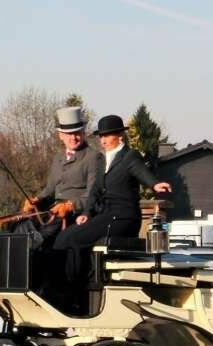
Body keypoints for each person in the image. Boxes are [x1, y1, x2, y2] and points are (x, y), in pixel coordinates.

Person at [53, 114, 171, 307]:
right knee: (64, 237)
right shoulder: (101, 160)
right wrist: (85, 214)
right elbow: (94, 192)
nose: (103, 140)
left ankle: (72, 296)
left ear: (120, 137)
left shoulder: (129, 157)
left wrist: (155, 184)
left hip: (124, 217)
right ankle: (64, 288)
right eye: (101, 136)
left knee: (74, 240)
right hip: (105, 215)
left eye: (107, 136)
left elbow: (142, 172)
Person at [21, 106, 103, 238]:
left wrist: (71, 206)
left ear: (83, 132)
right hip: (53, 214)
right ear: (60, 136)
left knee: (38, 239)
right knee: (19, 228)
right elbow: (50, 190)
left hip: (75, 217)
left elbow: (94, 192)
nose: (73, 138)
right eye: (69, 134)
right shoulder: (58, 158)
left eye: (77, 133)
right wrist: (36, 200)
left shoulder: (94, 157)